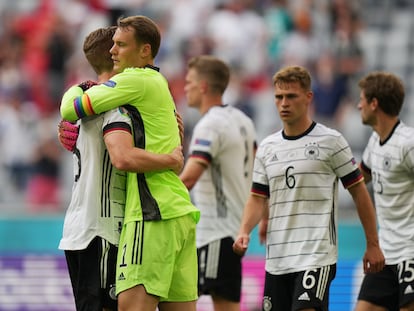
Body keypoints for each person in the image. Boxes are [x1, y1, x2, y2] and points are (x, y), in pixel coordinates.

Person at [60, 15, 200, 311]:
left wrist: (78, 88)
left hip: (147, 214)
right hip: (178, 209)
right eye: (113, 45)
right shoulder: (154, 87)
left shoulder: (127, 90)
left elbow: (119, 156)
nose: (115, 50)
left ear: (145, 50)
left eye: (121, 45)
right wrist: (173, 159)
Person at [232, 65, 385, 311]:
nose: (284, 103)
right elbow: (257, 198)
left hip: (316, 255)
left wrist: (373, 244)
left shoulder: (331, 141)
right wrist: (244, 231)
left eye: (291, 96)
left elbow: (359, 192)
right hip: (278, 259)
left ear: (308, 97)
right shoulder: (268, 147)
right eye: (279, 97)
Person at [179, 55, 257, 311]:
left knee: (180, 299)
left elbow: (189, 177)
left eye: (189, 82)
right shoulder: (243, 120)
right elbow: (259, 174)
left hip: (214, 231)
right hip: (233, 229)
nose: (185, 87)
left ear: (203, 86)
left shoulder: (210, 124)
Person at [355, 72, 414, 311]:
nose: (358, 105)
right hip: (386, 253)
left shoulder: (407, 143)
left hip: (410, 250)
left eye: (362, 99)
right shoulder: (374, 141)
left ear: (374, 103)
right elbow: (359, 178)